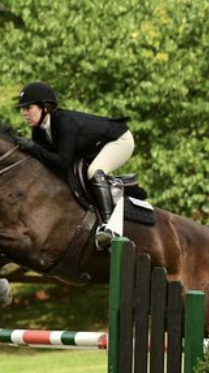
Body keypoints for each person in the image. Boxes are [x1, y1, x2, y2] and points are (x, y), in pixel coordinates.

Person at [15, 82, 134, 248]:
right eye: (22, 109)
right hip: (93, 146)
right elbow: (45, 161)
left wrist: (33, 148)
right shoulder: (39, 130)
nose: (24, 113)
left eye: (28, 108)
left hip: (119, 140)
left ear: (46, 107)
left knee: (94, 171)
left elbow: (63, 162)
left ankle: (108, 227)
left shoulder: (64, 123)